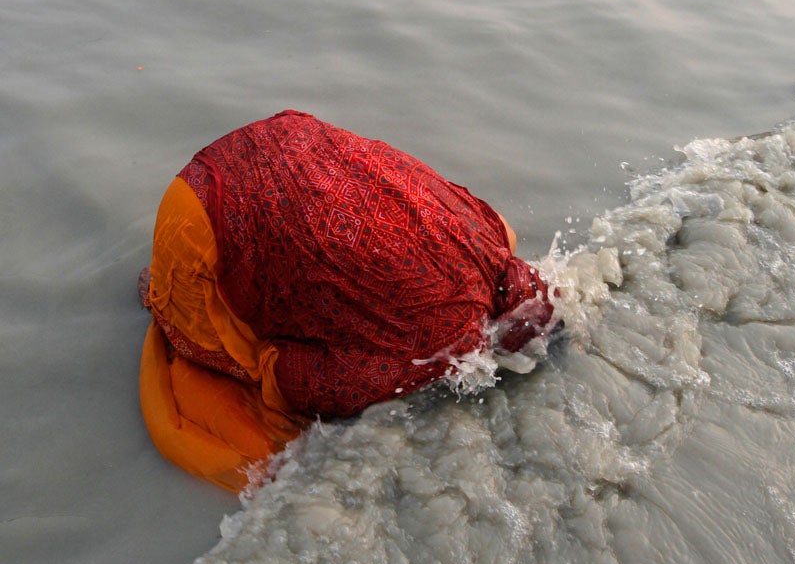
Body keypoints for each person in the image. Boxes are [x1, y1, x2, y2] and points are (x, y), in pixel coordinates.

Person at [138, 110, 555, 492]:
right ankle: (171, 297)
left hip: (285, 139)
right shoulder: (428, 353)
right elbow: (295, 382)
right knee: (235, 355)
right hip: (196, 222)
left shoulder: (486, 233)